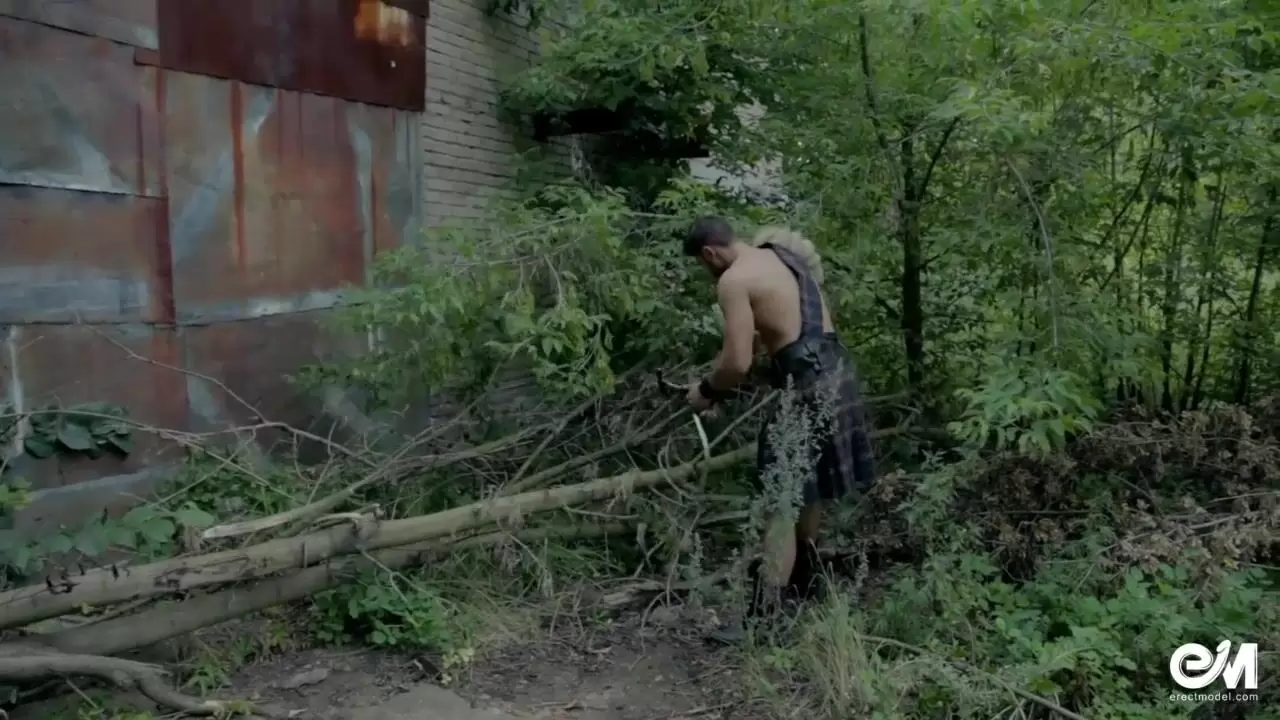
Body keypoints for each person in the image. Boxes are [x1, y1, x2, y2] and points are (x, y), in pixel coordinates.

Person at [681, 216, 876, 636]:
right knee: (810, 487)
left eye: (703, 264)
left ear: (709, 254)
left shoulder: (732, 281)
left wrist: (706, 391)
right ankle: (807, 580)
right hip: (836, 371)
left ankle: (765, 619)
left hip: (806, 383)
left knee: (779, 500)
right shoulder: (781, 258)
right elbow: (756, 342)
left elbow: (736, 362)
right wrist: (723, 386)